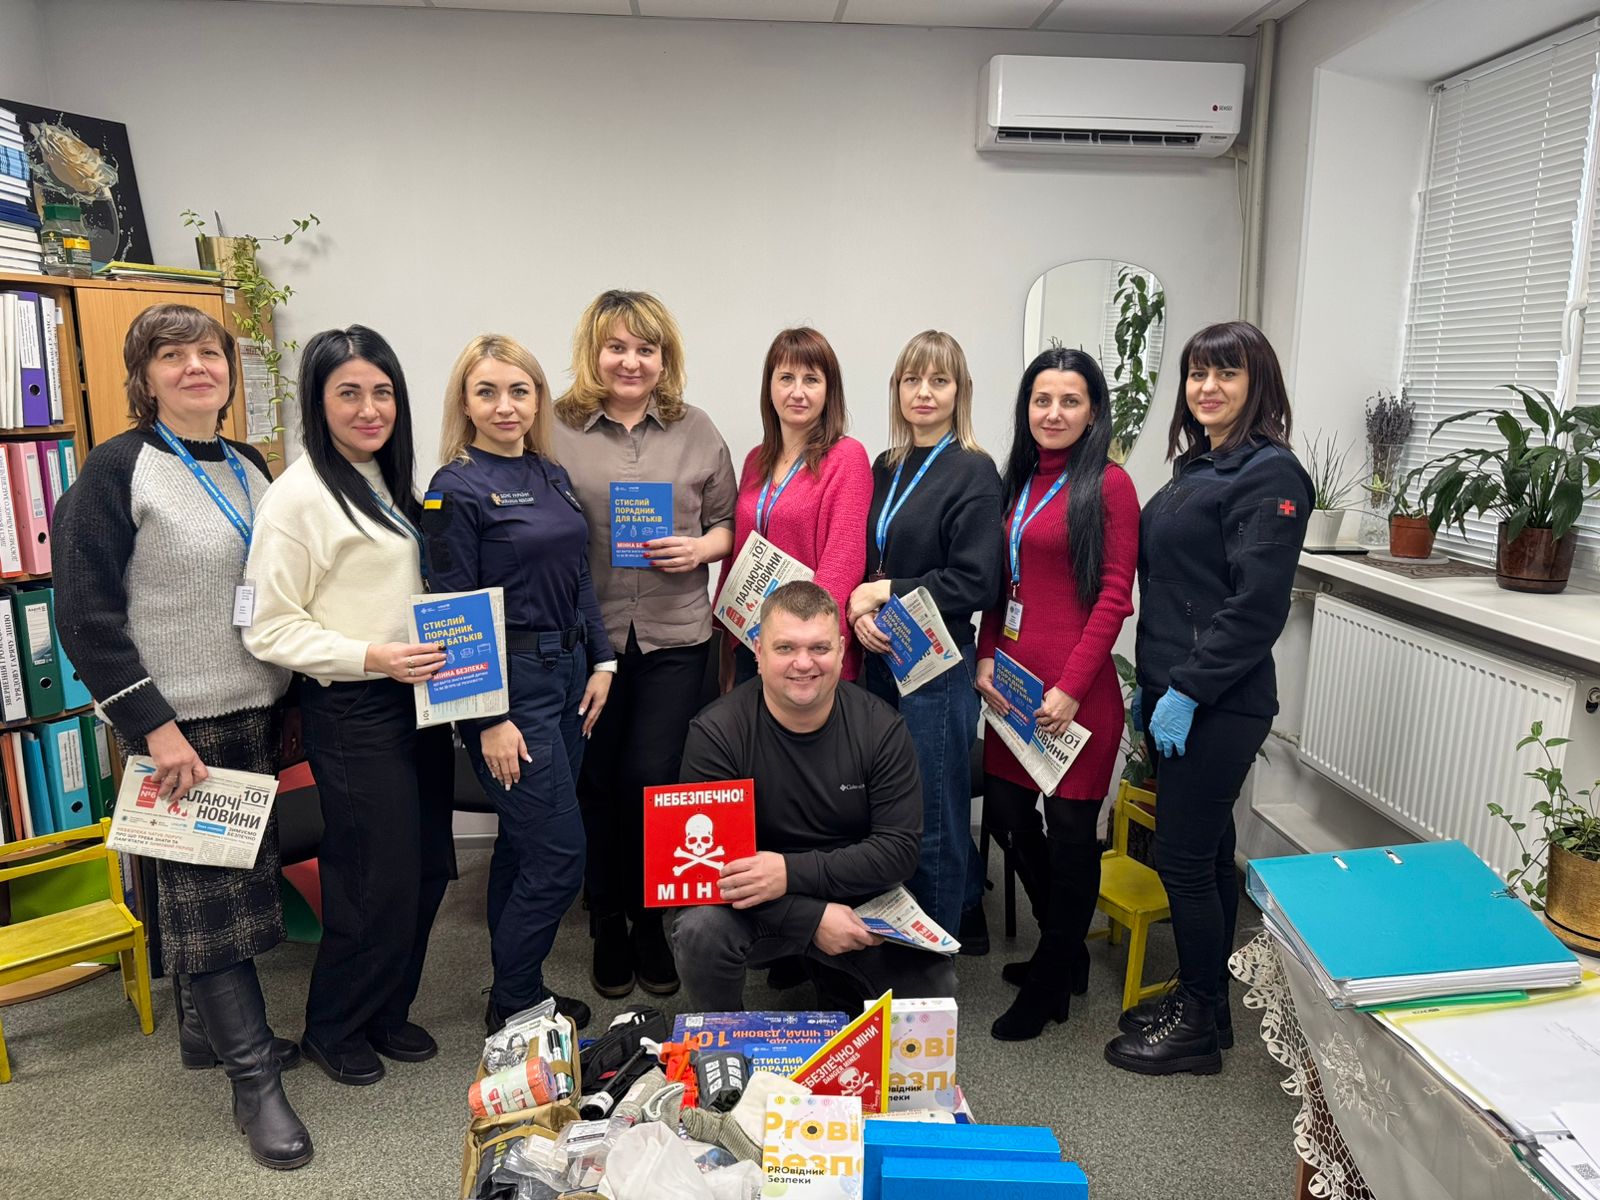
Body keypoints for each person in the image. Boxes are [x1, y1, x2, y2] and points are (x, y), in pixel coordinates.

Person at [52, 303, 311, 1170]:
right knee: (212, 904)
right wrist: (154, 730)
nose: (196, 366)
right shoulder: (117, 470)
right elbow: (84, 616)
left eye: (209, 352)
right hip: (177, 730)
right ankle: (253, 1083)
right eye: (173, 355)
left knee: (236, 886)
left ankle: (203, 1032)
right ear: (145, 375)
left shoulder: (248, 464)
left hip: (254, 712)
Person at [244, 325, 456, 1087]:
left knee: (426, 868)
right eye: (349, 393)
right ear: (318, 402)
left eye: (383, 392)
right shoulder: (298, 498)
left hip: (420, 701)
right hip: (356, 709)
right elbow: (269, 627)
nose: (370, 409)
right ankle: (334, 1025)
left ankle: (387, 1010)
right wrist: (372, 656)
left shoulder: (389, 479)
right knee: (372, 877)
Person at [1104, 321, 1312, 1077]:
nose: (1208, 387)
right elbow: (1180, 589)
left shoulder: (1271, 474)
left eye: (1226, 373)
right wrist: (1153, 687)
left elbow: (1256, 609)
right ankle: (1210, 1007)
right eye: (1197, 373)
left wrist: (1187, 691)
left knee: (1184, 860)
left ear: (1258, 383)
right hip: (1176, 691)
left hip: (1220, 701)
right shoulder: (1200, 465)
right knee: (1212, 854)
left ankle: (1194, 1027)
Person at [424, 334, 616, 1034]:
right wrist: (487, 719)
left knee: (525, 842)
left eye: (519, 391)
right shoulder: (454, 488)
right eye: (487, 392)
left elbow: (577, 574)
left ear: (538, 400)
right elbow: (450, 612)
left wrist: (603, 660)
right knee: (561, 856)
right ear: (465, 402)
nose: (504, 406)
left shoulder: (549, 473)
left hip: (569, 676)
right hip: (510, 689)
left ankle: (513, 992)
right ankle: (517, 999)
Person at [552, 289, 737, 1001]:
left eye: (646, 348)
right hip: (589, 637)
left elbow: (725, 525)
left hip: (675, 634)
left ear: (665, 357)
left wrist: (699, 548)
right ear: (593, 353)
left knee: (654, 783)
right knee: (597, 780)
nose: (631, 361)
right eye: (617, 347)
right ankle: (606, 917)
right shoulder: (554, 429)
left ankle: (652, 917)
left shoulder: (697, 428)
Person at [670, 581, 957, 1011]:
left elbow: (898, 852)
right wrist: (811, 918)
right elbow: (706, 873)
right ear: (758, 652)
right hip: (755, 898)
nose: (803, 663)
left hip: (854, 891)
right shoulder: (717, 732)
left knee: (934, 986)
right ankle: (723, 1038)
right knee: (700, 931)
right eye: (785, 647)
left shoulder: (881, 728)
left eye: (819, 648)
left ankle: (835, 977)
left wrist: (789, 872)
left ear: (841, 651)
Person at [975, 348, 1139, 1042]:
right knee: (1010, 816)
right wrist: (986, 655)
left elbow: (1114, 594)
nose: (1054, 412)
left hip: (1078, 694)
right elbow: (1000, 584)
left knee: (1072, 834)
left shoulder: (1110, 485)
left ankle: (1048, 983)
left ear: (1093, 411)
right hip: (1013, 690)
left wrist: (1071, 688)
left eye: (1070, 400)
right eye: (1042, 399)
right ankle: (1063, 948)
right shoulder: (1017, 479)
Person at [846, 330, 1002, 943]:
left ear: (960, 391)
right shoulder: (886, 466)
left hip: (937, 665)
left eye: (939, 380)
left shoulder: (974, 469)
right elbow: (868, 563)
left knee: (932, 809)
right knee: (886, 804)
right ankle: (930, 912)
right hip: (882, 655)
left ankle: (933, 949)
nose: (924, 392)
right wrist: (861, 613)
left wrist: (885, 591)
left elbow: (976, 580)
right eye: (912, 380)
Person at [718, 327, 871, 686]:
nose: (797, 392)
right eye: (786, 378)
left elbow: (842, 564)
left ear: (829, 390)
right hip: (751, 641)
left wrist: (804, 646)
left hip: (806, 656)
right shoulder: (756, 460)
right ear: (769, 387)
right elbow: (739, 554)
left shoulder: (846, 457)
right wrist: (725, 638)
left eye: (811, 380)